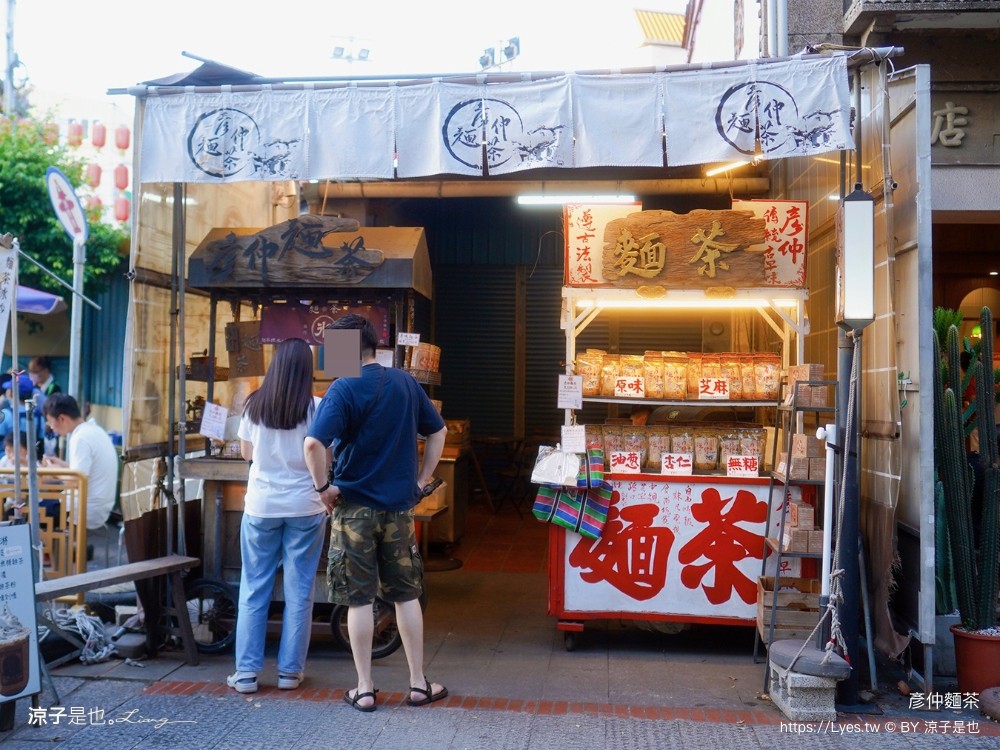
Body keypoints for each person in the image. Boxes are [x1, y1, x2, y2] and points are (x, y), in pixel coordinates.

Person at [304, 313, 449, 713]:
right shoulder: (404, 381)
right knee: (406, 596)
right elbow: (438, 432)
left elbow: (314, 445)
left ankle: (365, 689)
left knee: (359, 600)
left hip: (353, 510)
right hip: (398, 510)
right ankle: (419, 684)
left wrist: (322, 490)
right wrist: (421, 480)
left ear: (345, 350)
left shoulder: (343, 387)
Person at [226, 338, 328, 695]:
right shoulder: (318, 407)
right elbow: (324, 454)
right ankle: (289, 673)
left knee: (254, 589)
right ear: (307, 371)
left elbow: (245, 455)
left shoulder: (254, 405)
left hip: (261, 507)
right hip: (306, 508)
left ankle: (247, 674)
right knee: (300, 591)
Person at [41, 394, 119, 530]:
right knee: (42, 506)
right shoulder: (94, 430)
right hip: (99, 507)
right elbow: (85, 471)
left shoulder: (81, 438)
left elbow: (75, 481)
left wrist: (53, 468)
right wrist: (61, 464)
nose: (51, 428)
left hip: (86, 509)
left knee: (29, 513)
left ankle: (56, 551)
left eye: (50, 422)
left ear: (62, 418)